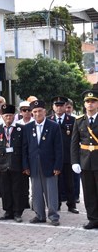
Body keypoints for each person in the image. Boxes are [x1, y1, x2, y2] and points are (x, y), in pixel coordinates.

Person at [23, 100, 63, 226]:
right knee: (36, 192)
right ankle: (39, 215)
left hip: (50, 165)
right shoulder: (28, 127)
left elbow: (59, 148)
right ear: (31, 113)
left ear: (45, 112)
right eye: (34, 111)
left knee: (51, 192)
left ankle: (53, 216)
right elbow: (25, 148)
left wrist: (57, 165)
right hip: (34, 164)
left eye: (40, 111)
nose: (37, 114)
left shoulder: (53, 126)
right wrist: (25, 165)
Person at [0, 104, 25, 222]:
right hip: (2, 164)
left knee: (17, 188)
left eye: (10, 116)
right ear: (2, 116)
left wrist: (25, 165)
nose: (8, 118)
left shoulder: (21, 129)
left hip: (17, 163)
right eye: (6, 116)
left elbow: (25, 148)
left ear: (14, 116)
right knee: (5, 189)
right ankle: (8, 211)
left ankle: (17, 212)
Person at [71, 90, 98, 229]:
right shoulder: (79, 120)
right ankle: (93, 219)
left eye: (93, 101)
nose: (90, 104)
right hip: (85, 161)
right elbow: (74, 143)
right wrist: (75, 161)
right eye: (88, 102)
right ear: (84, 104)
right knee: (88, 193)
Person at [48, 96, 79, 214]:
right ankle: (57, 204)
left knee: (69, 182)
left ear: (66, 106)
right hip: (53, 157)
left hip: (67, 156)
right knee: (55, 182)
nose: (59, 107)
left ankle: (71, 205)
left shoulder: (72, 120)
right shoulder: (49, 120)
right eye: (57, 105)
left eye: (61, 105)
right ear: (53, 107)